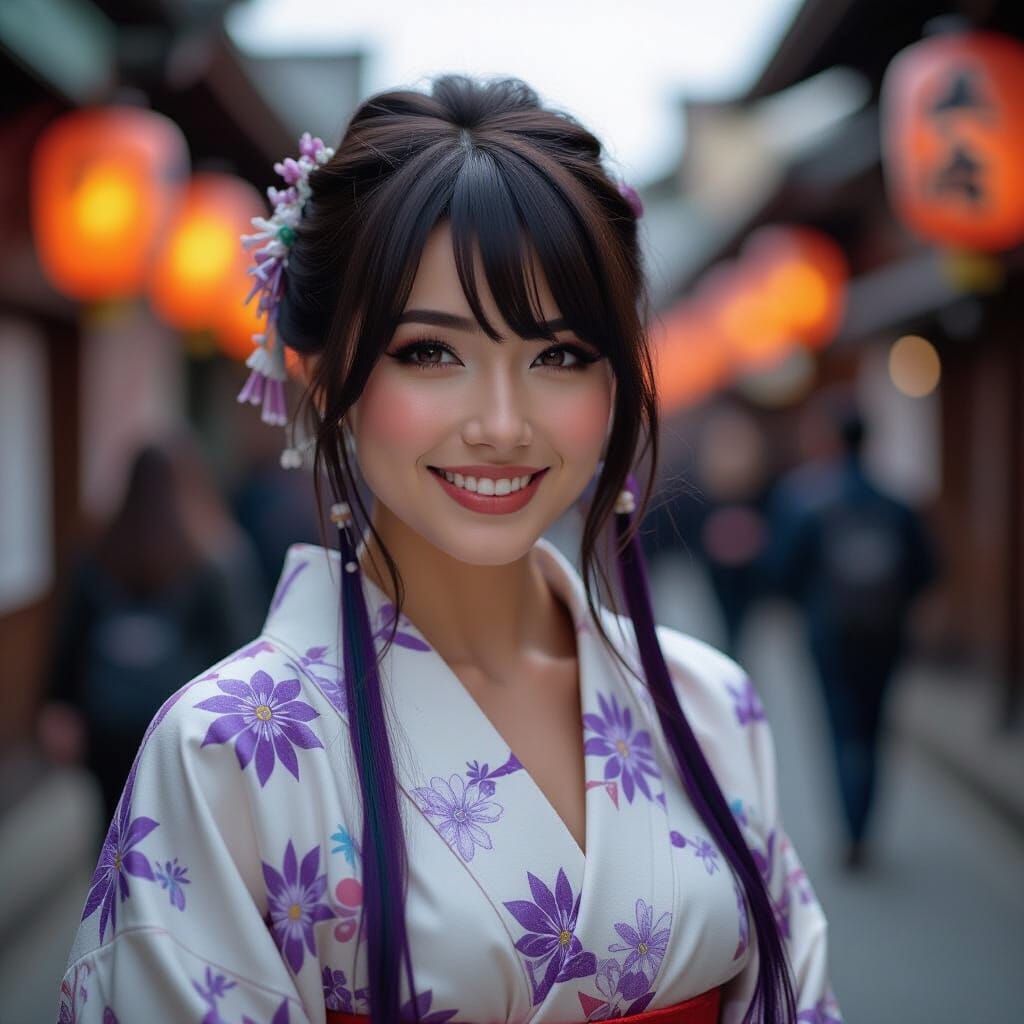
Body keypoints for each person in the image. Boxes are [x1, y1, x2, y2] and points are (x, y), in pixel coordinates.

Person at [57, 76, 841, 1024]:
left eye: (559, 355)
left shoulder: (713, 705)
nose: (503, 425)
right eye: (430, 352)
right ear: (329, 373)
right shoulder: (226, 750)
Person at [764, 400, 938, 869]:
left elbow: (781, 570)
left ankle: (850, 831)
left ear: (832, 441)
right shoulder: (897, 504)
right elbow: (927, 571)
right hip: (886, 630)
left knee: (839, 725)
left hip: (828, 631)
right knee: (875, 725)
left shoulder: (803, 500)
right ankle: (866, 825)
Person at [39, 441, 251, 827]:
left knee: (112, 826)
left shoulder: (97, 550)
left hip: (108, 721)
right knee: (174, 830)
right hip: (179, 724)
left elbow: (70, 637)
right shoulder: (213, 555)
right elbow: (235, 644)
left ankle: (114, 887)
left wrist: (58, 703)